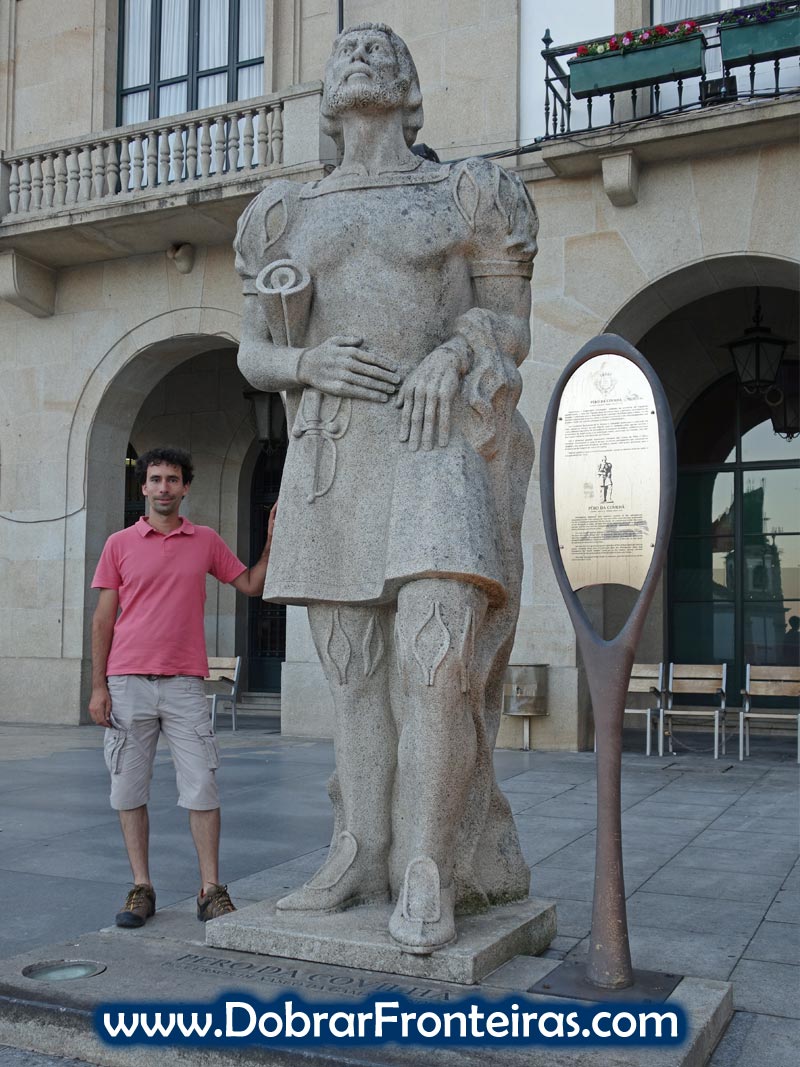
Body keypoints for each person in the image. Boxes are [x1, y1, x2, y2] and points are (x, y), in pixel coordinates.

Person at [235, 23, 537, 953]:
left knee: (437, 668)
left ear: (411, 90)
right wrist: (304, 361)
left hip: (434, 443)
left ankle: (429, 864)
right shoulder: (284, 213)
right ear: (329, 92)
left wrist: (457, 351)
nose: (364, 53)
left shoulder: (465, 192)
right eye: (349, 50)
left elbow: (510, 324)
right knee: (355, 678)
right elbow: (252, 350)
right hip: (335, 453)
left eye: (384, 50)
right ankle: (360, 849)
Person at [89, 447, 275, 928]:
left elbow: (251, 585)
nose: (164, 487)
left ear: (186, 487)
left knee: (203, 787)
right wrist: (98, 687)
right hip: (127, 682)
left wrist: (273, 541)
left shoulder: (205, 540)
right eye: (155, 479)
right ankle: (141, 887)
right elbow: (103, 620)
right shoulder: (119, 544)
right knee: (127, 789)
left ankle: (211, 890)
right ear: (143, 487)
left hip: (185, 685)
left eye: (173, 479)